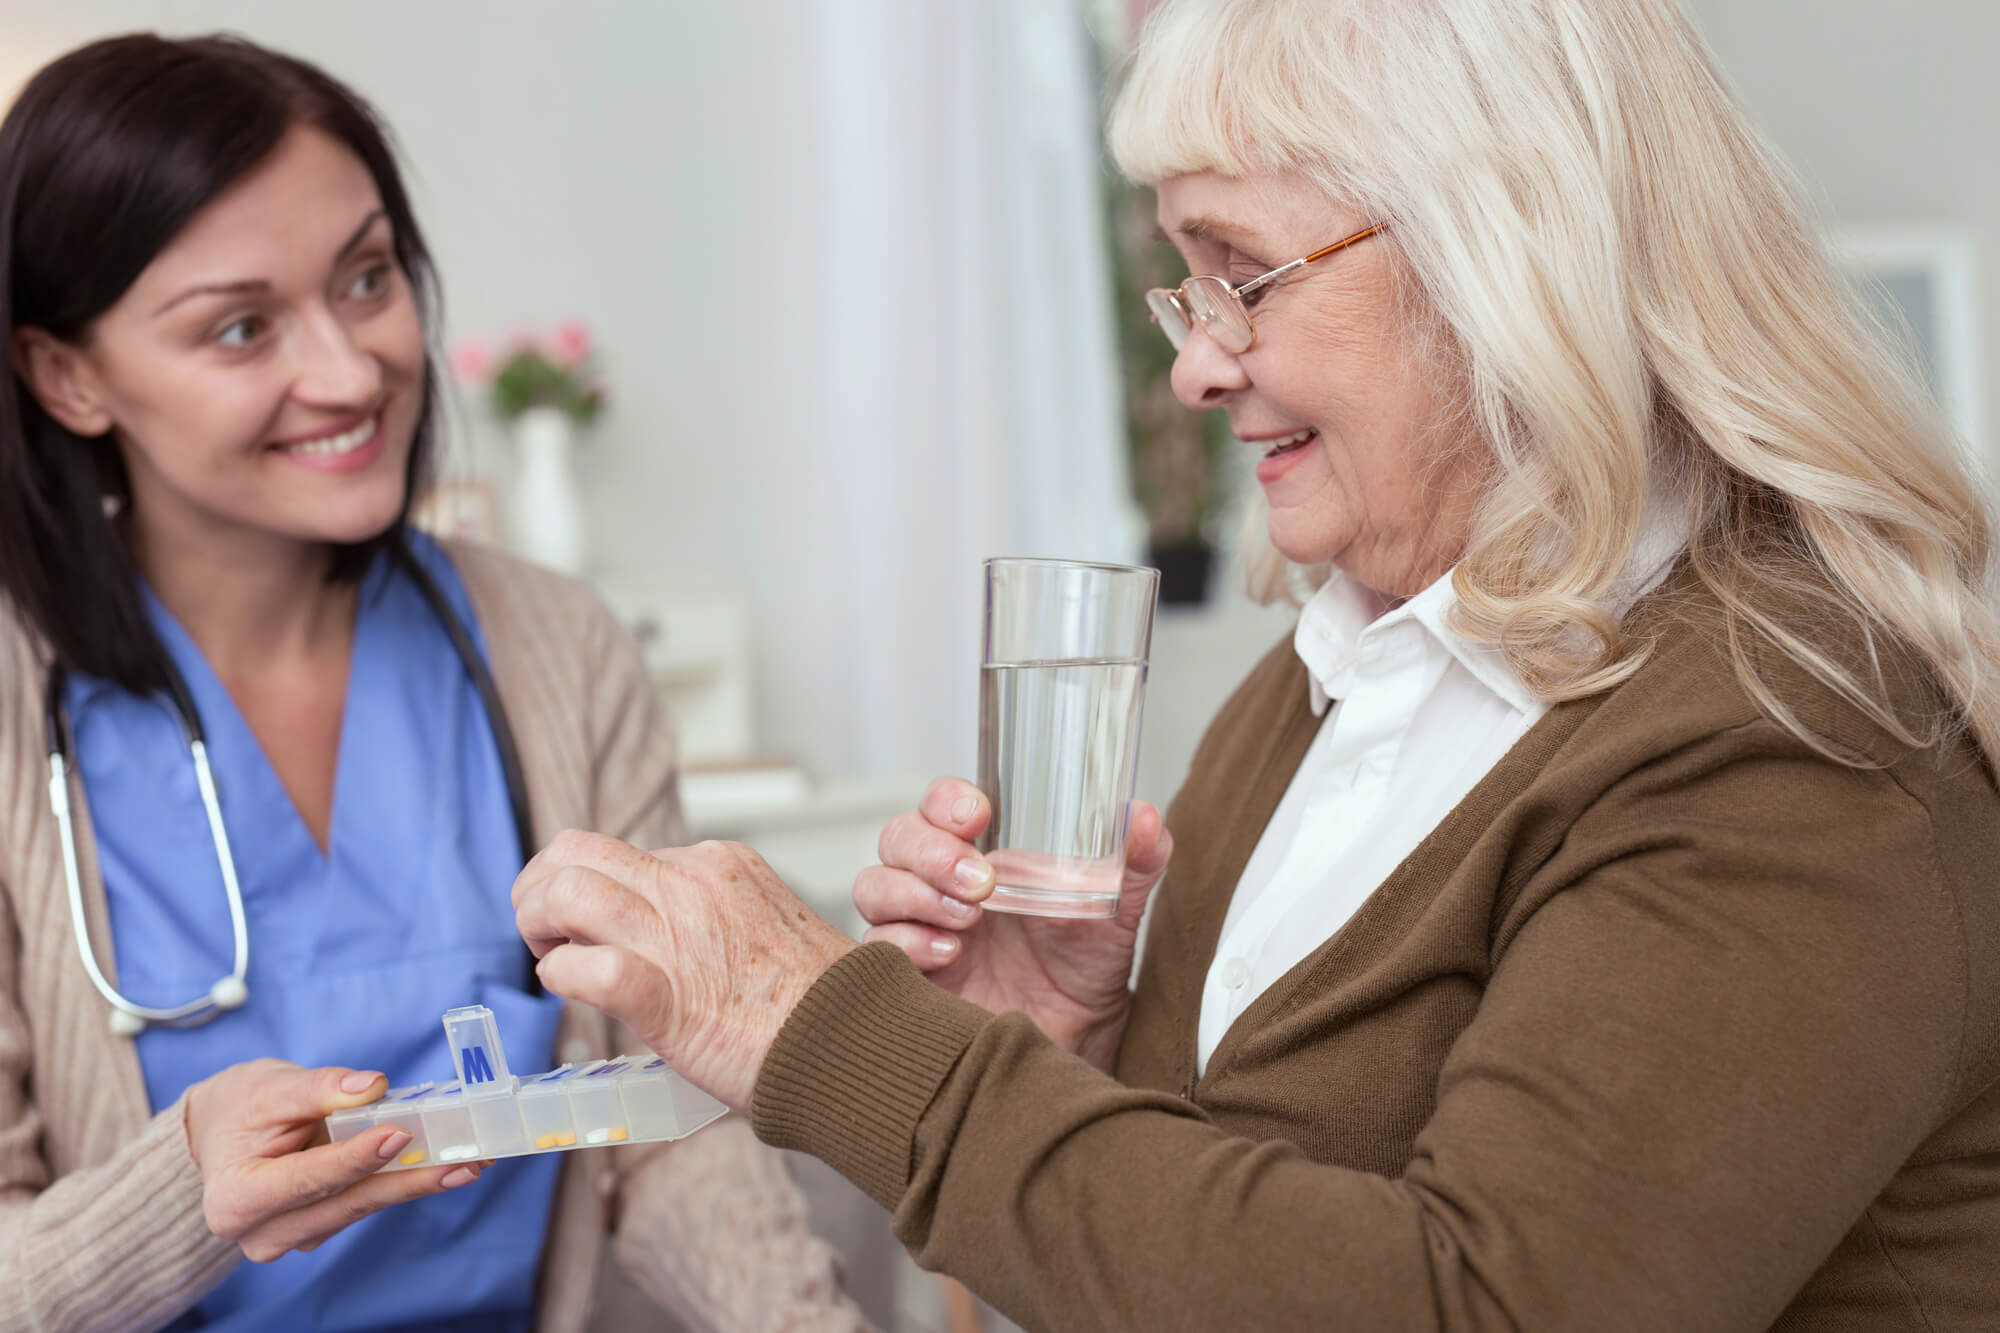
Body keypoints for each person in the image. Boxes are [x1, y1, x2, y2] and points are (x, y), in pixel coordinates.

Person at [508, 0, 2000, 1328]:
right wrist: (1057, 1058)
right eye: (1185, 285)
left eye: (1247, 277)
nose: (1197, 365)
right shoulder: (1316, 691)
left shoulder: (1793, 737)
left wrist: (844, 1037)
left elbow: (1481, 1300)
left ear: (1502, 251)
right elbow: (1223, 1243)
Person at [0, 33, 866, 1333]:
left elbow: (673, 1128)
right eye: (243, 328)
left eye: (366, 278)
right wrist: (180, 1192)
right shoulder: (21, 702)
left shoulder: (560, 656)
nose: (350, 374)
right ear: (67, 375)